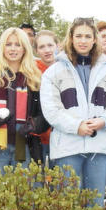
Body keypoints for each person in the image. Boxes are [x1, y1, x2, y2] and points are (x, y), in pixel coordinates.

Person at [40, 17, 106, 206]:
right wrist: (77, 126)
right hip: (68, 146)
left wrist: (104, 121)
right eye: (78, 36)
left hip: (99, 146)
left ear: (95, 39)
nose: (83, 40)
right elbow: (51, 110)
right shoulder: (54, 71)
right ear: (71, 38)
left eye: (87, 36)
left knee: (95, 204)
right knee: (68, 205)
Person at [0, 27, 46, 171]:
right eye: (8, 44)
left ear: (25, 49)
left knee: (25, 192)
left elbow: (45, 116)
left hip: (25, 148)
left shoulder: (34, 78)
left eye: (18, 44)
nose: (13, 49)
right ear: (2, 48)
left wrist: (32, 125)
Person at [33, 30, 60, 163]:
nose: (47, 50)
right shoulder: (32, 72)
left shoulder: (66, 69)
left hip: (62, 136)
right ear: (36, 51)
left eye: (50, 45)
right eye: (42, 47)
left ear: (57, 46)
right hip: (39, 136)